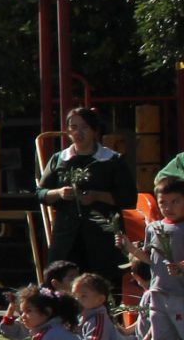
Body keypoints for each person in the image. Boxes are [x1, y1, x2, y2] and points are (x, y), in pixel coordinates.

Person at [38, 106, 138, 275]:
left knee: (103, 282)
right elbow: (40, 193)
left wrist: (97, 196)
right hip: (66, 238)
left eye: (84, 127)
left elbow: (128, 198)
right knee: (62, 282)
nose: (78, 132)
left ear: (94, 130)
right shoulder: (59, 159)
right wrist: (59, 193)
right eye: (73, 127)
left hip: (102, 237)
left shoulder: (112, 160)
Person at [123, 175, 184, 340]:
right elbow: (150, 259)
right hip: (158, 292)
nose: (168, 207)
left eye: (175, 201)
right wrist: (130, 248)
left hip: (180, 295)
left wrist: (181, 267)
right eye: (163, 203)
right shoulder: (154, 228)